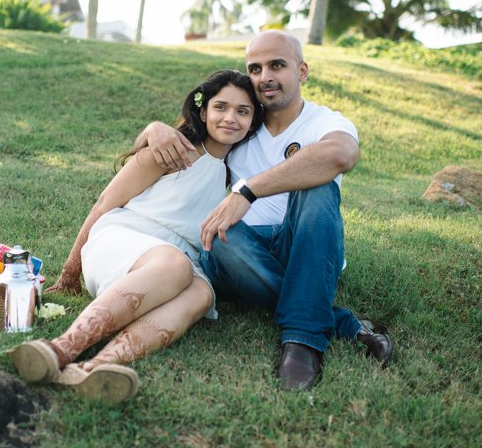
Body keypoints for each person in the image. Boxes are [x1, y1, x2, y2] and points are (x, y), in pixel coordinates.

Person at [142, 30, 393, 391]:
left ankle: (303, 341)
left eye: (277, 65)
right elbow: (181, 139)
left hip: (305, 242)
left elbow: (340, 155)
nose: (264, 77)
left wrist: (247, 190)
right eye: (255, 68)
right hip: (242, 252)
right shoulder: (241, 125)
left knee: (319, 183)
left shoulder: (325, 121)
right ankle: (340, 322)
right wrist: (153, 129)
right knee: (216, 234)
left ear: (302, 71)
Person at [9, 70, 264, 403]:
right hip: (125, 237)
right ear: (204, 112)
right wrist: (70, 272)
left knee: (202, 295)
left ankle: (95, 368)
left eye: (243, 111)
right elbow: (105, 203)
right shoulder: (172, 149)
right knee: (175, 266)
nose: (231, 118)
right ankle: (59, 349)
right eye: (221, 107)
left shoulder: (235, 171)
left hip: (178, 257)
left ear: (252, 119)